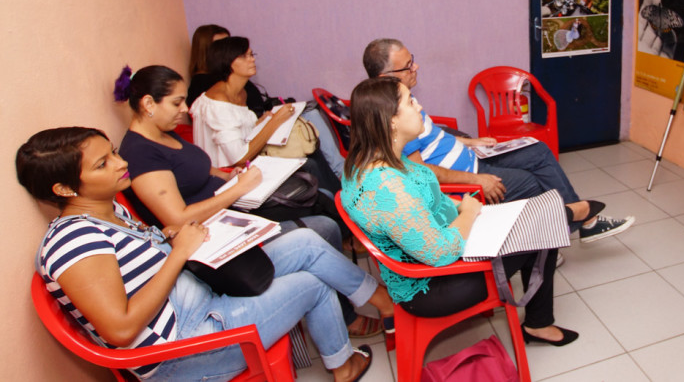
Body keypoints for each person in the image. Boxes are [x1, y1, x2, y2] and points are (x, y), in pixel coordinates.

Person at [18, 127, 395, 382]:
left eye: (113, 153)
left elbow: (136, 268)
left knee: (307, 242)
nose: (120, 163)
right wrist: (178, 253)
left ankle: (381, 301)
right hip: (187, 345)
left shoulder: (108, 210)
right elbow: (119, 329)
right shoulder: (73, 240)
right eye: (103, 164)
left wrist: (170, 239)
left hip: (200, 298)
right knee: (311, 285)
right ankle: (343, 366)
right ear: (64, 188)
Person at [116, 65, 383, 339]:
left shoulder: (162, 132)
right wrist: (236, 190)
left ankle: (346, 306)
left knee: (320, 205)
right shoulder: (141, 155)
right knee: (321, 228)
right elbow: (179, 217)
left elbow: (196, 170)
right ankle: (351, 312)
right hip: (218, 232)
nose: (184, 109)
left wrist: (230, 175)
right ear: (149, 103)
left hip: (234, 207)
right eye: (176, 102)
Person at [339, 77, 577, 346]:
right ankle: (539, 322)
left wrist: (461, 208)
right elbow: (439, 252)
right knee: (543, 228)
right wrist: (468, 213)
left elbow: (424, 204)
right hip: (435, 288)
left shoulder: (376, 162)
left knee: (539, 216)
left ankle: (566, 215)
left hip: (444, 247)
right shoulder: (387, 187)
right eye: (410, 101)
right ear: (391, 120)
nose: (418, 107)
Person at [362, 38, 634, 243]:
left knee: (538, 149)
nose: (416, 66)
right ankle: (557, 234)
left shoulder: (402, 97)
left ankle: (575, 224)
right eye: (408, 65)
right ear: (386, 76)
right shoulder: (394, 115)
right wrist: (477, 180)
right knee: (531, 181)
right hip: (467, 174)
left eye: (413, 59)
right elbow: (421, 172)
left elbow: (431, 137)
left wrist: (470, 142)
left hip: (471, 157)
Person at [185, 25, 347, 179]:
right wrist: (275, 121)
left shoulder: (239, 92)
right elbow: (239, 158)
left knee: (311, 146)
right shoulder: (218, 102)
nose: (252, 60)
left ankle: (340, 187)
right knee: (309, 162)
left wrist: (260, 123)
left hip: (248, 159)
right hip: (230, 173)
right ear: (226, 61)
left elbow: (239, 132)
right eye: (244, 56)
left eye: (251, 54)